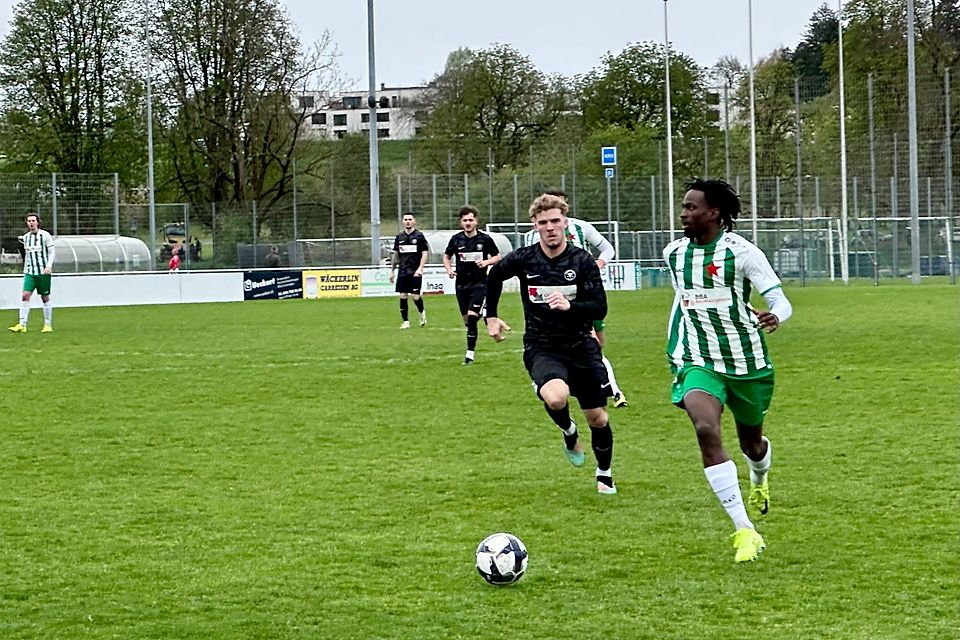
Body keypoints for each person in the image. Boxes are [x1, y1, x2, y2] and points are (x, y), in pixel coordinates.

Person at [663, 179, 793, 563]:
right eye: (683, 207)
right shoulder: (674, 254)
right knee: (705, 428)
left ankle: (759, 476)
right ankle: (744, 530)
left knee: (752, 444)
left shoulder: (742, 253)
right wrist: (675, 351)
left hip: (747, 364)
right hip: (699, 360)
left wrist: (776, 317)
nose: (683, 214)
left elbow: (778, 297)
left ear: (714, 213)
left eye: (690, 207)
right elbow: (682, 303)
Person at [486, 193, 617, 495]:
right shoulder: (525, 258)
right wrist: (490, 316)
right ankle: (569, 431)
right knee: (556, 398)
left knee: (597, 418)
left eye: (555, 221)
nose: (550, 227)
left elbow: (599, 307)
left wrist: (571, 307)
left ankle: (605, 473)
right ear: (535, 225)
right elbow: (494, 276)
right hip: (542, 345)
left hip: (581, 345)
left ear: (565, 223)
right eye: (543, 222)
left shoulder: (582, 261)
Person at [520, 190, 628, 408]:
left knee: (597, 343)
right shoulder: (532, 235)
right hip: (549, 298)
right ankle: (549, 380)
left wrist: (597, 266)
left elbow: (608, 249)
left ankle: (605, 387)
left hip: (583, 298)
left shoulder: (581, 227)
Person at [443, 205, 501, 364]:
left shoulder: (484, 239)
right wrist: (449, 270)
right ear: (461, 222)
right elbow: (446, 256)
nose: (468, 223)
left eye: (471, 220)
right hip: (461, 284)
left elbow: (497, 256)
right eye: (465, 220)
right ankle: (484, 313)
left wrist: (486, 262)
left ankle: (469, 355)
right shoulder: (456, 239)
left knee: (472, 317)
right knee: (468, 321)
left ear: (476, 221)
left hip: (480, 284)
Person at [8, 213, 56, 333]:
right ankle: (22, 324)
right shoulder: (26, 237)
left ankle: (47, 324)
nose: (31, 223)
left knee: (45, 297)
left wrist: (48, 266)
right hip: (30, 272)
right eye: (29, 221)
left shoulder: (45, 236)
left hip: (43, 273)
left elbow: (51, 252)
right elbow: (28, 255)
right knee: (25, 296)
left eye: (33, 220)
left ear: (38, 222)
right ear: (27, 223)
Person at [390, 212, 429, 329]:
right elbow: (396, 255)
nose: (407, 221)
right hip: (403, 271)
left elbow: (425, 253)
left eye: (410, 219)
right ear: (403, 221)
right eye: (405, 219)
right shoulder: (399, 237)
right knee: (403, 295)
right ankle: (406, 321)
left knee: (415, 296)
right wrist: (392, 271)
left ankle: (422, 314)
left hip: (415, 271)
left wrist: (420, 268)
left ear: (414, 221)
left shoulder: (419, 236)